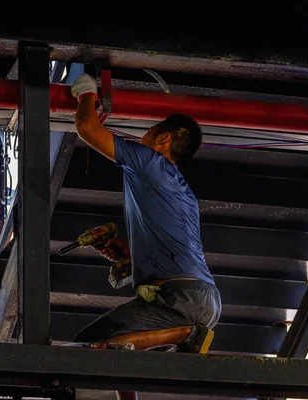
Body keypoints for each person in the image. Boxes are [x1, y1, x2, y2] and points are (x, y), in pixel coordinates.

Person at [70, 74, 221, 353]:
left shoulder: (149, 162)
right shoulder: (180, 191)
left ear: (163, 138)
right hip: (198, 298)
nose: (141, 138)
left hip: (180, 299)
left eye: (148, 131)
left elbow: (87, 127)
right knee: (114, 355)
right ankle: (184, 335)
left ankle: (187, 335)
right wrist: (130, 255)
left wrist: (85, 92)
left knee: (86, 347)